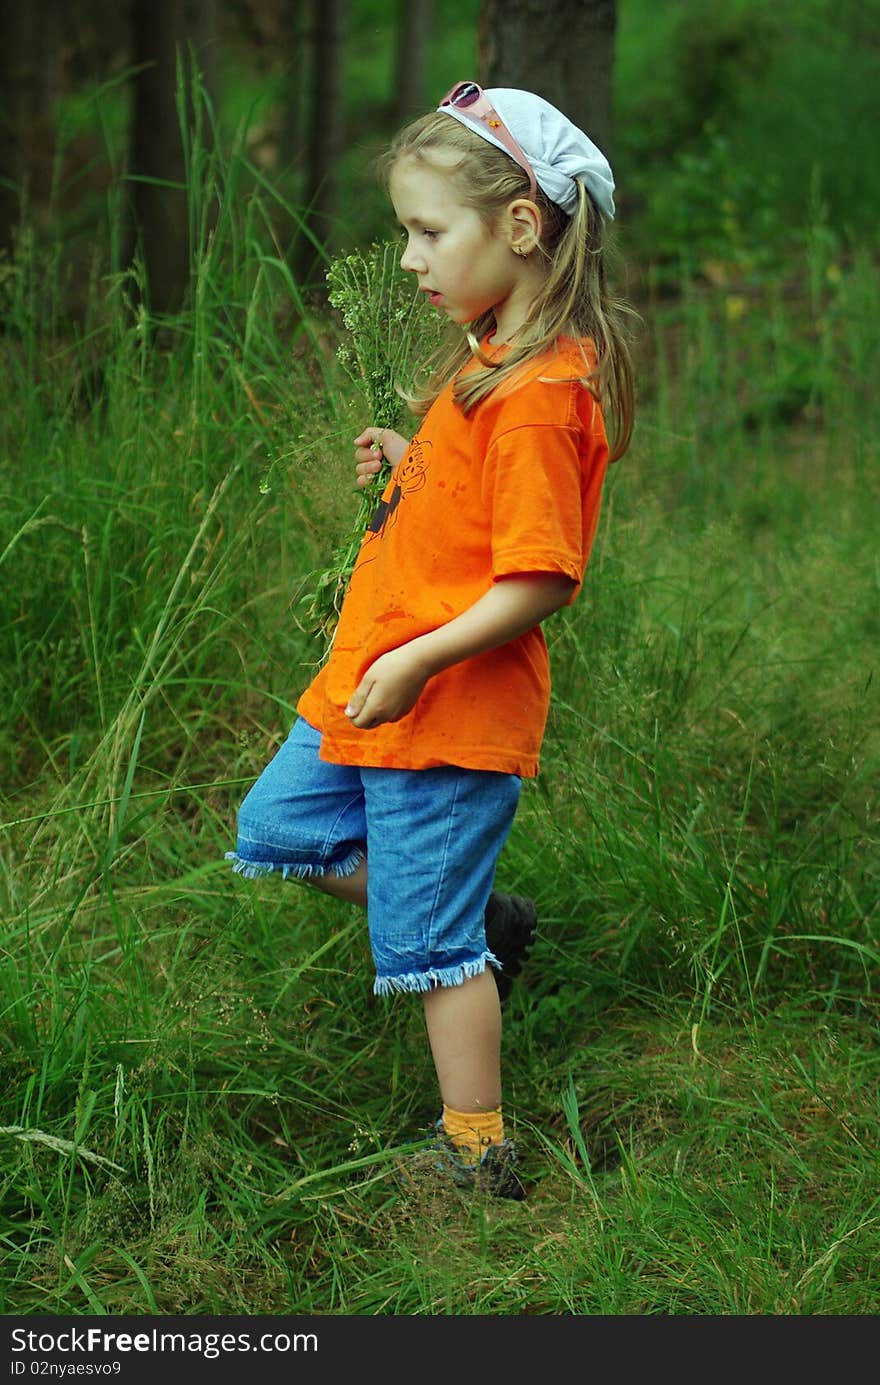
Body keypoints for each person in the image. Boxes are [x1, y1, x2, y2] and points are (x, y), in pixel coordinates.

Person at [226, 82, 635, 1200]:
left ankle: (476, 1150)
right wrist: (410, 455)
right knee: (277, 824)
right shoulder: (487, 352)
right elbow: (474, 508)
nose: (409, 258)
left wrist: (415, 661)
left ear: (517, 225)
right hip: (377, 672)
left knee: (426, 956)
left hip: (443, 706)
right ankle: (482, 915)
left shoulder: (544, 391)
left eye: (426, 230)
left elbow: (539, 573)